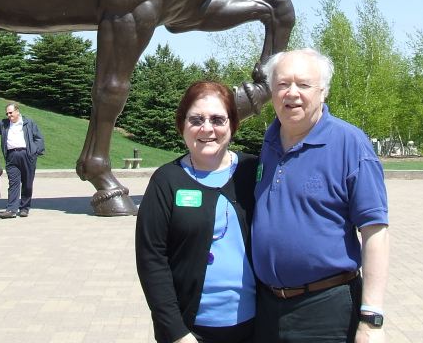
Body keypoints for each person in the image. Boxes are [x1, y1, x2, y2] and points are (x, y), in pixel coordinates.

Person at [252, 49, 389, 343]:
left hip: (325, 311)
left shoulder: (350, 144)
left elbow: (375, 231)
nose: (292, 93)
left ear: (323, 91)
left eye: (303, 85)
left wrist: (371, 318)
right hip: (266, 309)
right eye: (282, 84)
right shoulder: (269, 142)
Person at [136, 81, 259, 343]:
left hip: (257, 324)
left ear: (232, 125)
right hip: (190, 330)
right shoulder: (167, 180)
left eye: (217, 119)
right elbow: (151, 259)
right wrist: (176, 331)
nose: (207, 129)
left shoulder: (254, 172)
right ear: (182, 125)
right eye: (196, 119)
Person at [0, 102, 45, 219]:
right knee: (13, 183)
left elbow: (39, 138)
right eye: (7, 113)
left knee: (27, 183)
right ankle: (11, 209)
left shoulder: (28, 123)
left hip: (27, 155)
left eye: (11, 112)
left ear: (17, 111)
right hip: (11, 156)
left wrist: (34, 152)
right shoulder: (4, 124)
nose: (9, 115)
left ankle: (24, 208)